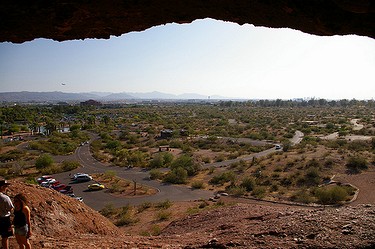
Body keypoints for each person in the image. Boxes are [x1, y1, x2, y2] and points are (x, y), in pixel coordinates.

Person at [0, 180, 14, 249]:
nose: (6, 188)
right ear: (2, 187)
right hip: (4, 219)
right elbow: (10, 208)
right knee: (5, 237)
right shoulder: (5, 198)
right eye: (5, 186)